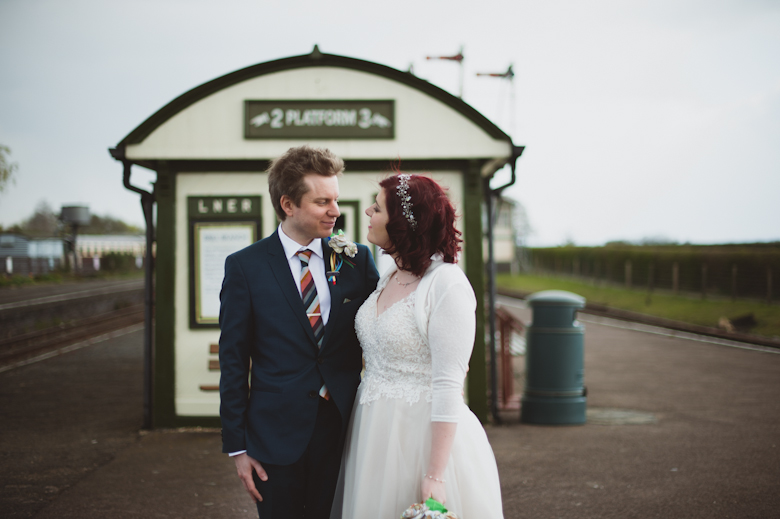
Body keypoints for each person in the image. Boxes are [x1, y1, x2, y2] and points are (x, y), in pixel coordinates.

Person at [219, 145, 380, 519]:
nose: (335, 211)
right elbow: (233, 359)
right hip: (273, 437)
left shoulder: (356, 261)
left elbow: (384, 323)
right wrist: (238, 448)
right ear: (288, 204)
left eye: (336, 199)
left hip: (345, 429)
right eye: (322, 201)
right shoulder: (246, 267)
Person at [331, 173, 504, 518]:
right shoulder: (388, 277)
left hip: (421, 440)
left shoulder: (447, 284)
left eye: (377, 207)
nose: (368, 211)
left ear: (403, 223)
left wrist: (435, 475)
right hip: (371, 434)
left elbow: (448, 384)